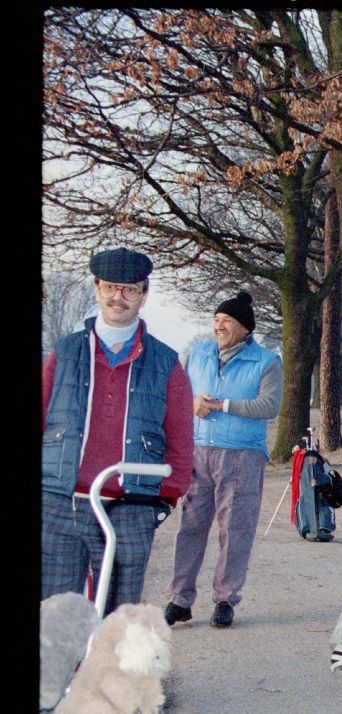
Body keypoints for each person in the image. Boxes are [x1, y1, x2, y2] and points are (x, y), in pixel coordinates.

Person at [42, 248, 194, 615]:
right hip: (62, 500)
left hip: (131, 505)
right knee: (57, 617)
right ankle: (63, 674)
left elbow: (181, 442)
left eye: (129, 290)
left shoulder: (165, 363)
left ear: (143, 295)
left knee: (116, 617)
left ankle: (107, 674)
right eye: (111, 287)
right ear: (97, 289)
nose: (118, 297)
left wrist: (162, 497)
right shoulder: (65, 353)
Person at [162, 291, 283, 629]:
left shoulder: (266, 361)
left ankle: (225, 599)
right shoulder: (197, 354)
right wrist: (192, 405)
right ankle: (180, 599)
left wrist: (220, 405)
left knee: (235, 530)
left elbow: (269, 406)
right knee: (190, 527)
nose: (219, 327)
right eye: (216, 321)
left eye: (226, 321)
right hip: (198, 451)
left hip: (242, 455)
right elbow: (178, 396)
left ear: (244, 327)